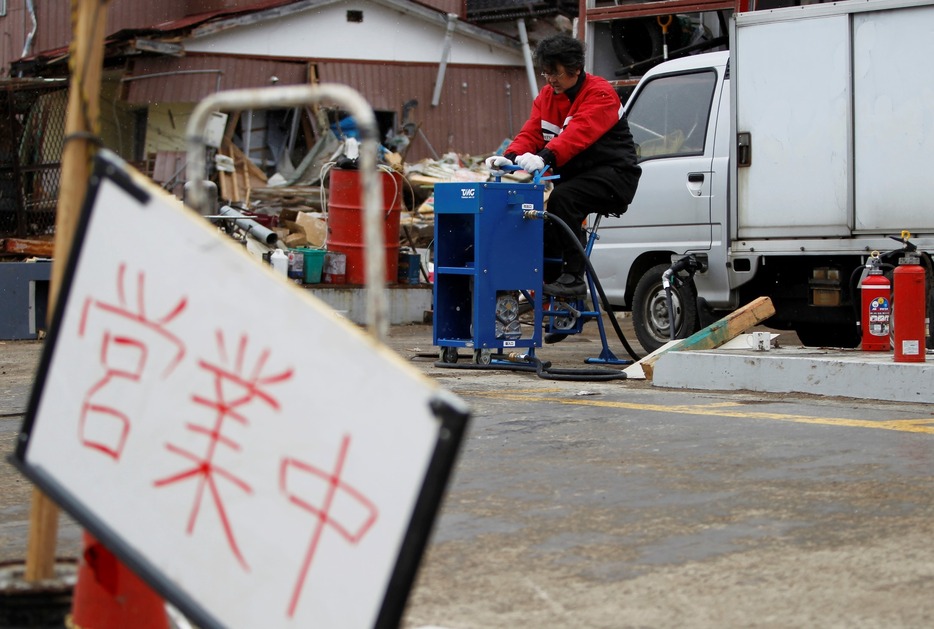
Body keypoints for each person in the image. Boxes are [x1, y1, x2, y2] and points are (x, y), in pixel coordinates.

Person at [486, 33, 641, 299]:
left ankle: (573, 281)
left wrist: (545, 156)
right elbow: (532, 132)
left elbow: (578, 134)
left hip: (615, 176)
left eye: (555, 73)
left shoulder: (600, 93)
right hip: (578, 177)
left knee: (563, 201)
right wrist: (510, 156)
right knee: (545, 226)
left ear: (575, 68)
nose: (550, 79)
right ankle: (552, 292)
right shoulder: (547, 96)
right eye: (546, 73)